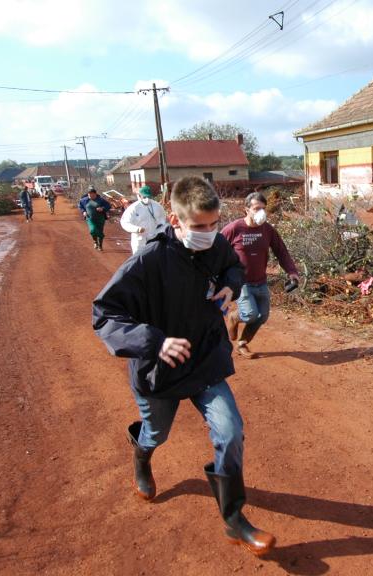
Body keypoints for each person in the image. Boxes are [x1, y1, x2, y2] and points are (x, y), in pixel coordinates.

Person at [92, 175, 276, 556]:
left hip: (205, 360)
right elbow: (105, 314)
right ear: (175, 221)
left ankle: (233, 519)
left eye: (213, 224)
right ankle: (142, 457)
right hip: (160, 370)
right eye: (199, 227)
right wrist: (154, 341)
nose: (209, 233)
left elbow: (233, 267)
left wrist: (231, 285)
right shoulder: (147, 262)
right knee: (157, 434)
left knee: (231, 431)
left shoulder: (217, 244)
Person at [220, 192, 299, 359]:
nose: (261, 212)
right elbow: (216, 249)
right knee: (249, 314)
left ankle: (242, 343)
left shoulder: (268, 230)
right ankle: (234, 317)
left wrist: (292, 272)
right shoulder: (234, 228)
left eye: (263, 209)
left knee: (262, 316)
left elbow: (281, 252)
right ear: (246, 210)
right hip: (241, 282)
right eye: (256, 208)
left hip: (261, 281)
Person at [120, 185, 168, 255]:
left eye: (148, 197)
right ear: (139, 196)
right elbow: (125, 222)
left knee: (155, 259)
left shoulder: (157, 206)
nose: (147, 199)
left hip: (154, 238)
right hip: (139, 239)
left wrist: (161, 229)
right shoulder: (133, 208)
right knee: (139, 259)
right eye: (144, 197)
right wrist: (136, 229)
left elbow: (163, 220)